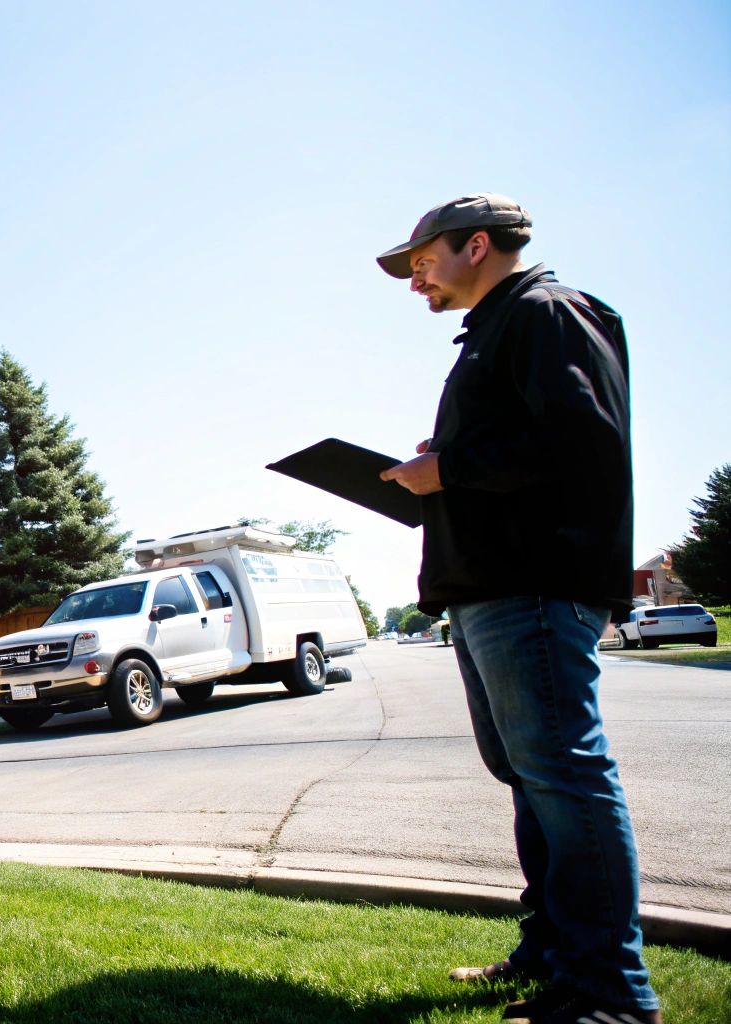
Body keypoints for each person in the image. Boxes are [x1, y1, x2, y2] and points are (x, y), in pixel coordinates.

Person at [376, 195, 657, 1024]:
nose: (415, 280)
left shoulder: (545, 312)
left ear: (476, 246)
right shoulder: (499, 329)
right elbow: (524, 442)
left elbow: (582, 442)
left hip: (533, 585)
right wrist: (441, 464)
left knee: (566, 778)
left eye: (423, 261)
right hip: (489, 588)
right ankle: (552, 956)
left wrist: (449, 468)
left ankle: (612, 994)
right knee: (533, 784)